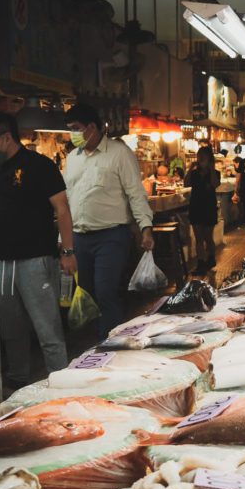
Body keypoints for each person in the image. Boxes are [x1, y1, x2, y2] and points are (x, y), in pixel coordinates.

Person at [0, 112, 76, 388]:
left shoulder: (40, 165)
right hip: (2, 262)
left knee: (47, 328)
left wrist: (68, 252)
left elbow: (62, 209)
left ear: (6, 137)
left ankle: (62, 382)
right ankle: (18, 380)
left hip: (36, 259)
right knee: (12, 328)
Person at [64, 103, 154, 340]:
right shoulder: (72, 158)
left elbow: (136, 193)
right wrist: (64, 241)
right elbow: (68, 199)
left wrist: (146, 227)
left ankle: (110, 343)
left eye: (76, 128)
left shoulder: (119, 153)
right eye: (69, 129)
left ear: (92, 127)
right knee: (88, 294)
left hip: (111, 237)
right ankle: (95, 344)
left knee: (106, 292)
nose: (72, 134)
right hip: (79, 237)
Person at [185, 145, 221, 274]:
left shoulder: (215, 173)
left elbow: (215, 184)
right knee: (198, 237)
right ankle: (201, 263)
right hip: (196, 206)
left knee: (208, 237)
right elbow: (186, 183)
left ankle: (211, 258)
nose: (200, 158)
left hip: (209, 207)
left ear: (209, 158)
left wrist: (211, 169)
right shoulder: (194, 173)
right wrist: (190, 168)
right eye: (199, 156)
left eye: (203, 156)